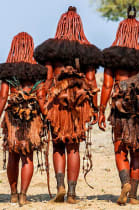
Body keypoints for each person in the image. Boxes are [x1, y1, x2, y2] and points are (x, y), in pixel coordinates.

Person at [34, 6, 102, 204]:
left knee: (57, 145)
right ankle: (72, 193)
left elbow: (46, 81)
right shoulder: (87, 52)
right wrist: (96, 109)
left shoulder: (51, 51)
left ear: (61, 25)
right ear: (79, 26)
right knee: (74, 147)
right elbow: (92, 83)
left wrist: (42, 105)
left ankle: (60, 186)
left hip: (56, 103)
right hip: (79, 105)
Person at [98, 6, 139, 205]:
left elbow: (107, 85)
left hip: (119, 103)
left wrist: (101, 111)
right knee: (138, 148)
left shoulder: (112, 56)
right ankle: (133, 194)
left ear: (120, 31)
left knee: (120, 146)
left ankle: (124, 182)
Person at [0, 32, 48, 206]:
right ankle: (23, 195)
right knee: (27, 157)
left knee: (13, 154)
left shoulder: (7, 71)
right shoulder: (38, 72)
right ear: (30, 48)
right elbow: (41, 97)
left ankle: (13, 194)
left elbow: (3, 97)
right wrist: (47, 116)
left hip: (12, 117)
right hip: (32, 116)